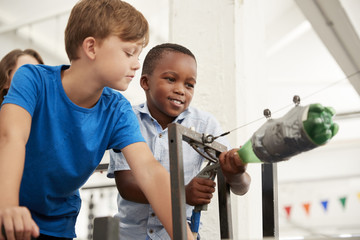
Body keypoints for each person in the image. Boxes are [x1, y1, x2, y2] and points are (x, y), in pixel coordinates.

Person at [0, 1, 194, 239]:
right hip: (6, 206)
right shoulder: (32, 79)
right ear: (91, 47)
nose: (136, 64)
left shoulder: (117, 109)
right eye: (129, 52)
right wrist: (7, 205)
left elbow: (150, 172)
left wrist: (185, 236)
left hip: (56, 224)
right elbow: (11, 137)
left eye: (138, 55)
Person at [107, 43, 251, 239]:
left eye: (189, 85)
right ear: (145, 82)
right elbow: (126, 185)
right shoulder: (127, 119)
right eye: (171, 79)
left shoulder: (205, 125)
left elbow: (241, 187)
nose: (181, 90)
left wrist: (236, 173)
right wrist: (181, 194)